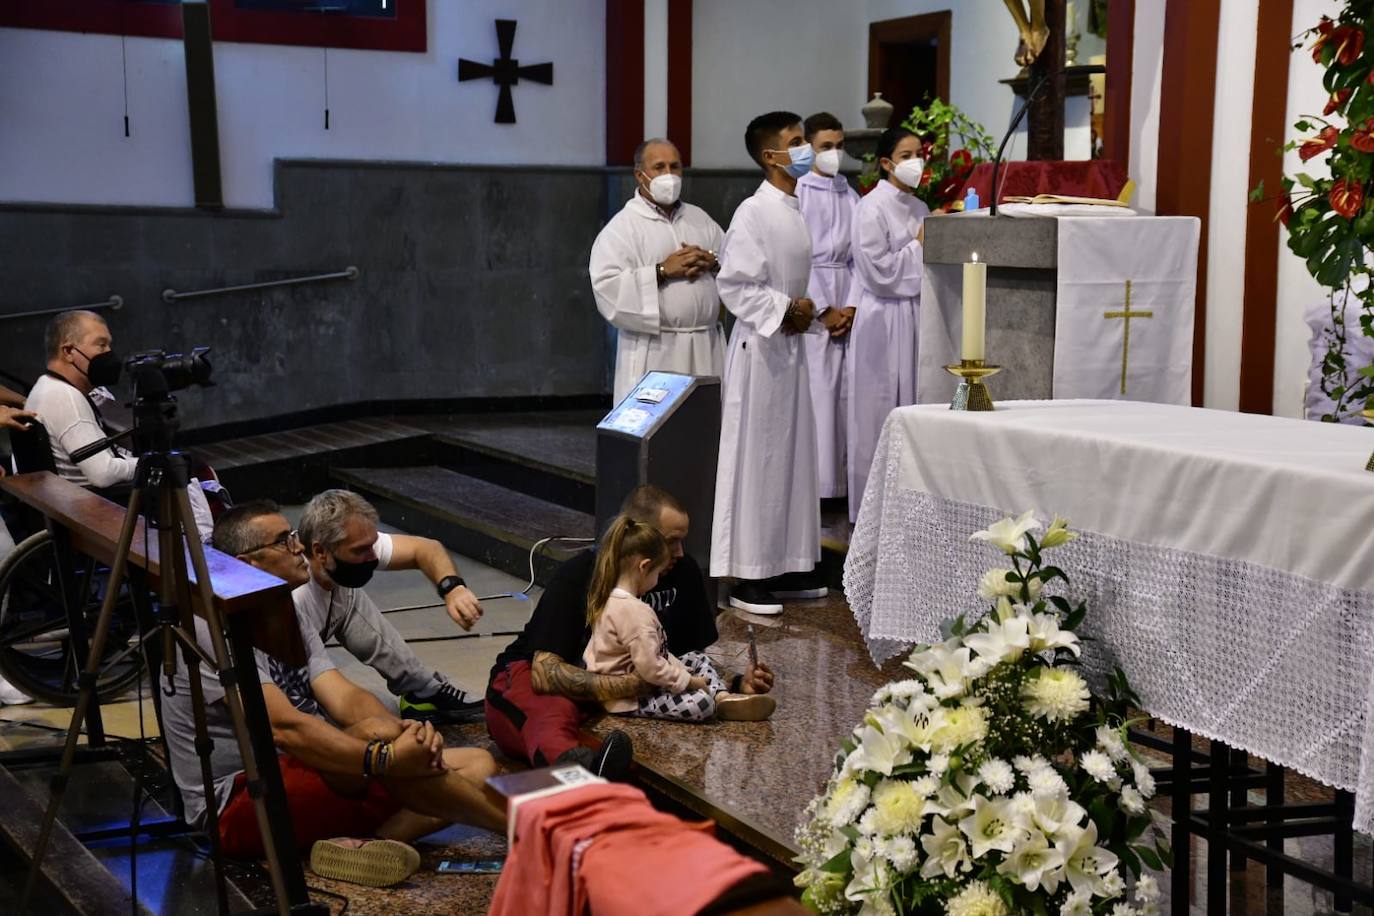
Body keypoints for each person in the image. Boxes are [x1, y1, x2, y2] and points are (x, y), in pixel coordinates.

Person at [159, 559, 507, 865]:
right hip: (238, 798)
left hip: (304, 767)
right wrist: (383, 758)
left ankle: (372, 845)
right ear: (249, 562)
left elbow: (345, 697)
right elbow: (285, 728)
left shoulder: (286, 610)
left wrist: (406, 734)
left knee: (477, 763)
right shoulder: (207, 631)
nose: (298, 547)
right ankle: (519, 828)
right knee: (395, 752)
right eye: (283, 541)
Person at [485, 485, 774, 773]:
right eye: (671, 541)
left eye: (682, 541)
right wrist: (634, 684)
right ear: (639, 537)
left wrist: (736, 682)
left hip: (627, 679)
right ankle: (579, 774)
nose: (680, 552)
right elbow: (544, 672)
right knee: (550, 714)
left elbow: (685, 655)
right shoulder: (579, 574)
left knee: (697, 676)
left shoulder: (683, 573)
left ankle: (720, 699)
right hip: (532, 677)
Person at [214, 495, 486, 723]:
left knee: (346, 591)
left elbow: (426, 549)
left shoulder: (348, 546)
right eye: (361, 551)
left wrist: (453, 588)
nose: (373, 557)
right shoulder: (293, 601)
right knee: (375, 716)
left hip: (314, 662)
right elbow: (303, 701)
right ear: (321, 552)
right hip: (292, 698)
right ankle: (418, 694)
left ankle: (423, 690)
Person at [711, 110, 824, 616]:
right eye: (797, 142)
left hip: (789, 352)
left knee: (793, 456)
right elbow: (735, 284)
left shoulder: (794, 207)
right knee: (759, 460)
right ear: (769, 156)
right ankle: (749, 575)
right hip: (761, 352)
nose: (807, 151)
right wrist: (785, 312)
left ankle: (790, 563)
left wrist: (814, 314)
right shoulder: (753, 211)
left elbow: (791, 287)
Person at [24, 310, 214, 539]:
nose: (109, 354)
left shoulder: (47, 386)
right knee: (186, 470)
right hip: (92, 510)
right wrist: (158, 463)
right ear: (68, 351)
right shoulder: (65, 398)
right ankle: (204, 552)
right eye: (101, 345)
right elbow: (102, 474)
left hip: (77, 504)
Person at [582, 515, 773, 722]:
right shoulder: (634, 612)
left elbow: (657, 654)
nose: (657, 580)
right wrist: (688, 681)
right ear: (644, 567)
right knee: (701, 703)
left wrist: (681, 669)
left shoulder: (612, 599)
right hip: (629, 699)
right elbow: (651, 668)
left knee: (695, 658)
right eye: (657, 573)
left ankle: (723, 697)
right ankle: (715, 699)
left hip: (635, 681)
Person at [590, 138, 725, 403]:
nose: (669, 175)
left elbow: (737, 267)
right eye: (659, 167)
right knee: (659, 432)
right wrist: (662, 271)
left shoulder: (700, 219)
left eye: (675, 167)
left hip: (706, 345)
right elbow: (607, 289)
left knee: (710, 431)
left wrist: (713, 262)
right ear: (640, 174)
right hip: (657, 349)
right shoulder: (622, 229)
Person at [847, 126, 929, 522]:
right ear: (885, 163)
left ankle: (911, 508)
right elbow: (879, 272)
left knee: (913, 405)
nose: (916, 162)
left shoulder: (921, 207)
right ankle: (872, 512)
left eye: (919, 153)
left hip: (914, 316)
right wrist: (919, 245)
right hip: (881, 320)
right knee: (876, 411)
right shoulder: (871, 207)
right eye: (906, 154)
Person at [796, 112, 861, 502]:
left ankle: (842, 482)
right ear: (808, 147)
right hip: (813, 300)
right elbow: (798, 256)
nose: (834, 154)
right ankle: (818, 486)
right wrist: (824, 309)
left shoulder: (848, 194)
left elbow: (860, 255)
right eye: (826, 147)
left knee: (846, 394)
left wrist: (852, 306)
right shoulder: (799, 192)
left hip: (847, 294)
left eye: (838, 147)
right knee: (819, 392)